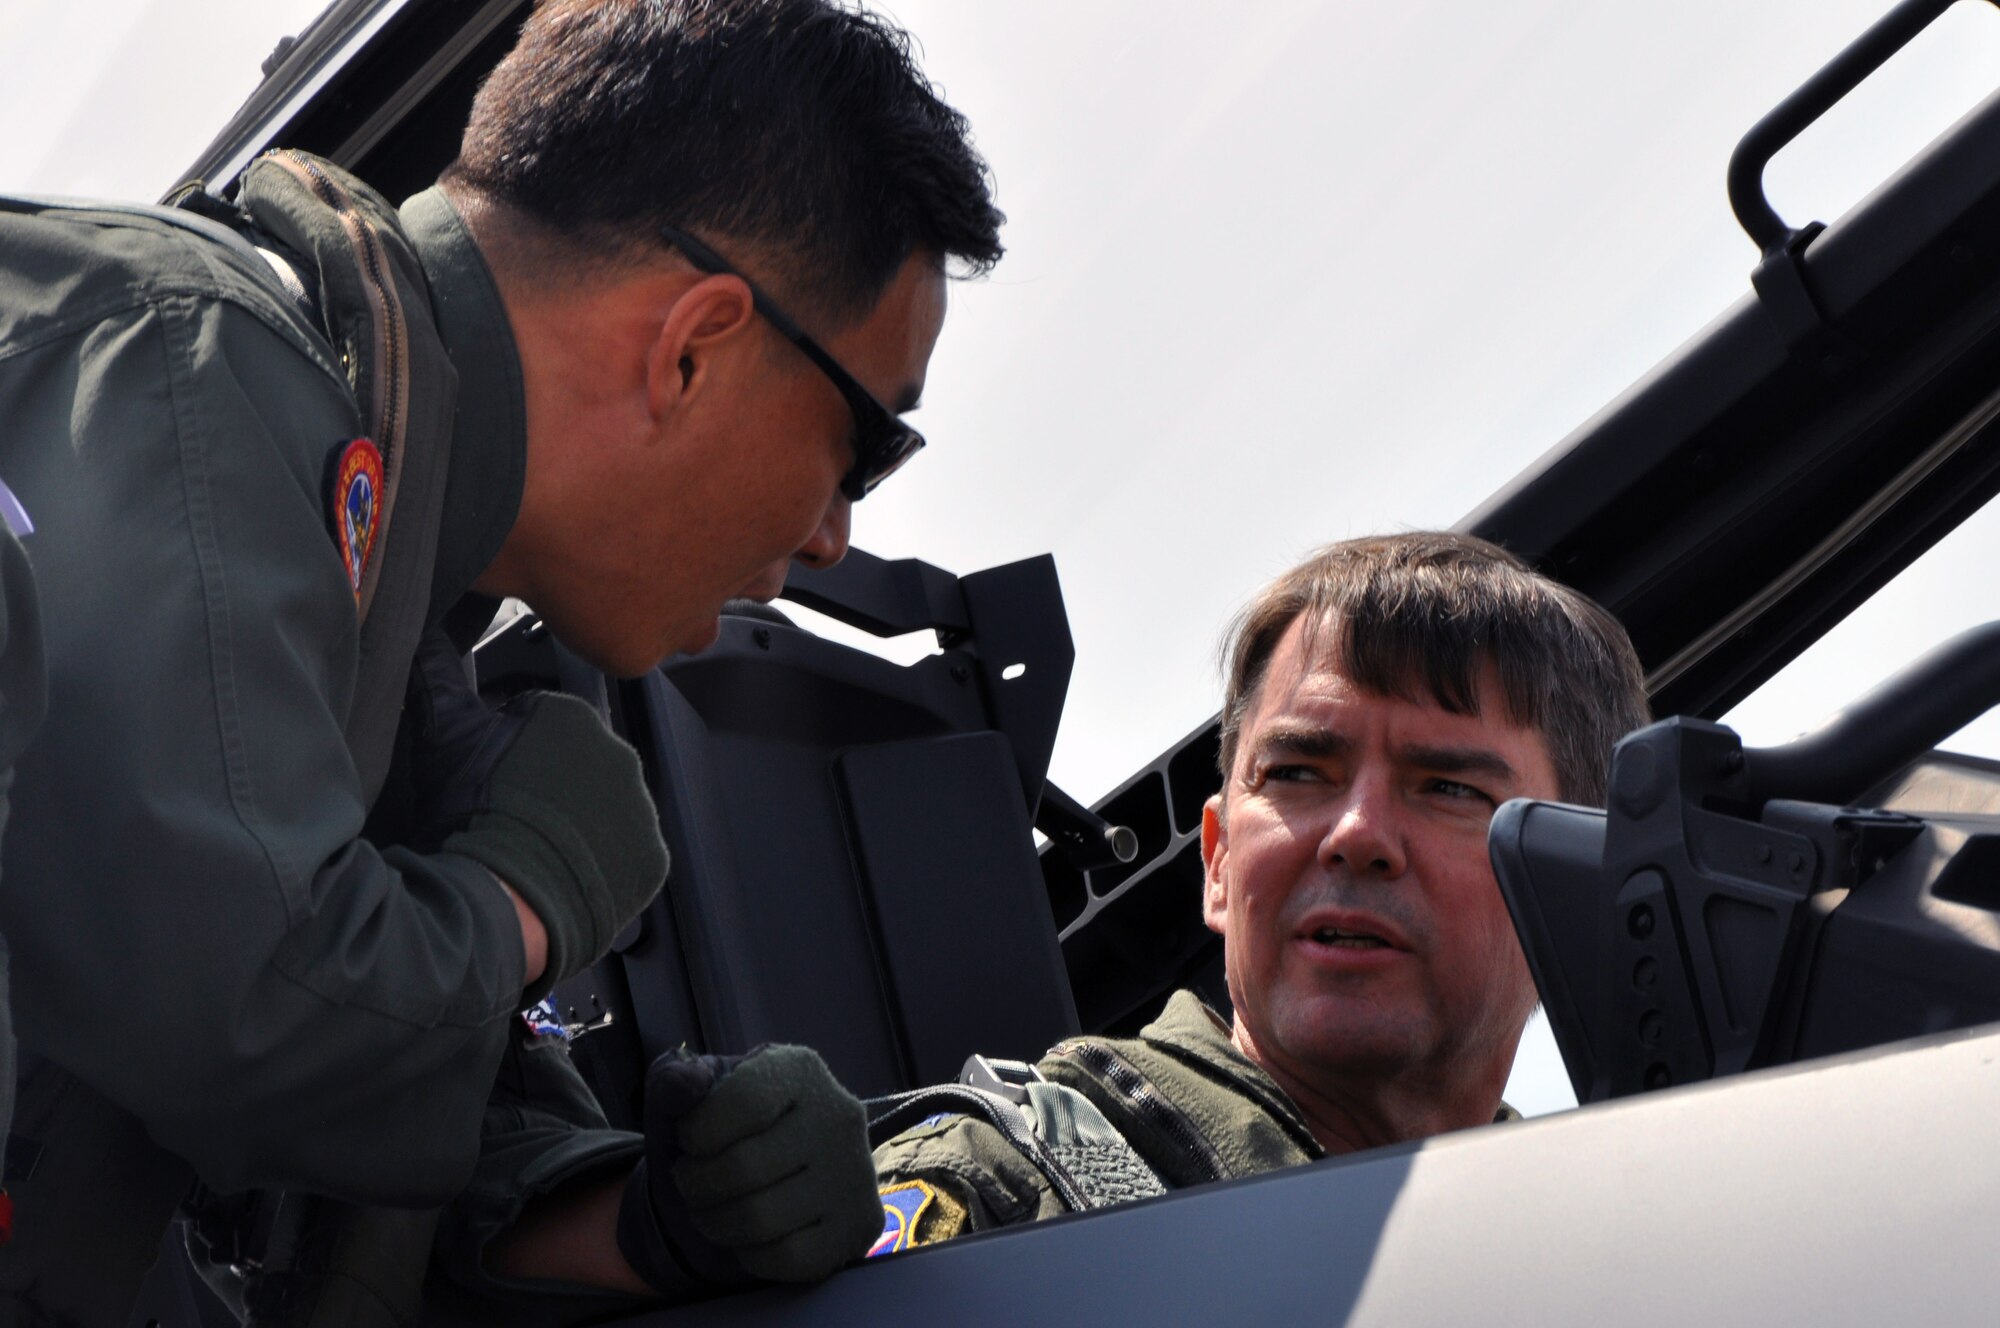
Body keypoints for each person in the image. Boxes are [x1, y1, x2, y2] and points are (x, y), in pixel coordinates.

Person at [0, 0, 1002, 1320]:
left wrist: (655, 1222)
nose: (831, 537)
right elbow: (241, 1019)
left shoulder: (381, 595)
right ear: (693, 345)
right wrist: (534, 891)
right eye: (866, 448)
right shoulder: (195, 373)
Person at [869, 532, 1649, 1250]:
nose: (1357, 835)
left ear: (1573, 898)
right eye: (1298, 774)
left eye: (1446, 787)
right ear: (1218, 861)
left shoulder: (1620, 1261)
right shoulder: (999, 1206)